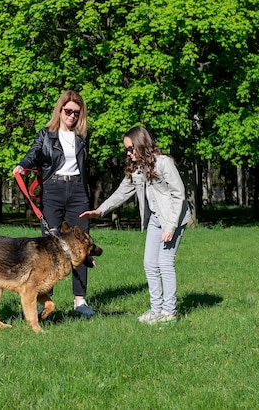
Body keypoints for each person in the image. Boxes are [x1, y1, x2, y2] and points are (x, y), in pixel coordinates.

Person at [80, 126, 191, 324]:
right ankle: (156, 309)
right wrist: (100, 210)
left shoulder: (164, 163)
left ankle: (170, 312)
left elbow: (179, 194)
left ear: (141, 144)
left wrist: (170, 227)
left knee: (165, 263)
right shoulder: (138, 168)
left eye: (131, 148)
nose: (129, 153)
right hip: (156, 219)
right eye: (126, 150)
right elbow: (122, 191)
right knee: (149, 263)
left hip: (172, 219)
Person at [12, 90, 95, 318]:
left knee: (81, 246)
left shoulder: (83, 136)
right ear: (60, 110)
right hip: (53, 190)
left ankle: (80, 302)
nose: (71, 116)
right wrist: (22, 165)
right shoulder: (46, 134)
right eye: (68, 111)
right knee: (49, 247)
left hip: (78, 191)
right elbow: (34, 153)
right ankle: (45, 301)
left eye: (76, 113)